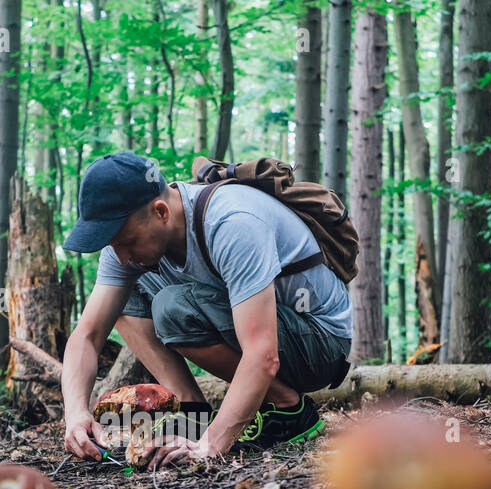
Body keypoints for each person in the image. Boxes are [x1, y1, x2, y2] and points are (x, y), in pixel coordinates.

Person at [59, 152, 352, 470]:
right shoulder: (125, 248)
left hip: (320, 339)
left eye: (127, 242)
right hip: (271, 331)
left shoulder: (231, 222)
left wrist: (212, 445)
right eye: (114, 244)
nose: (122, 256)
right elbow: (87, 335)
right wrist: (76, 412)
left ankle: (288, 409)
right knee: (127, 298)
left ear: (161, 212)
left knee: (174, 306)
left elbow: (262, 355)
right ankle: (192, 413)